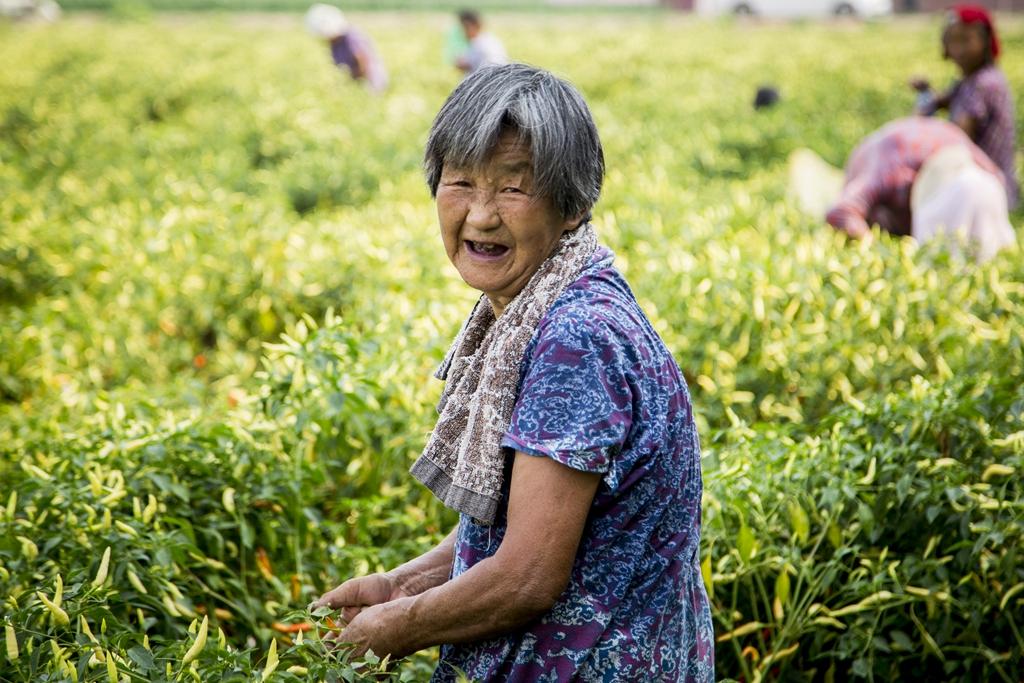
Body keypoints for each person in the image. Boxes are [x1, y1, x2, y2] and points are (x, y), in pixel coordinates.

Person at [313, 64, 715, 681]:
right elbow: (522, 525)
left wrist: (396, 629)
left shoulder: (576, 339)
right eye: (461, 182)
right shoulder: (542, 308)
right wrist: (400, 585)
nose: (479, 215)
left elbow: (528, 573)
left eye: (512, 188)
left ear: (574, 204)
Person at [821, 117, 1014, 262]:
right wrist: (879, 256)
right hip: (868, 174)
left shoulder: (976, 165)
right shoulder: (890, 167)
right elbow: (841, 212)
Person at [911, 5, 1018, 206]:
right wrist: (926, 92)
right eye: (953, 41)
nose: (959, 49)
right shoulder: (968, 81)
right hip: (975, 185)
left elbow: (958, 136)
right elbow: (942, 100)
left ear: (985, 42)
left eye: (966, 40)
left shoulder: (985, 83)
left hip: (989, 191)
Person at [305, 3, 387, 93]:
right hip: (354, 83)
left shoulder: (352, 36)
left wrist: (354, 82)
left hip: (369, 82)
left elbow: (363, 61)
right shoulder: (334, 43)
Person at [454, 9, 508, 74]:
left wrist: (458, 61)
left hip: (485, 81)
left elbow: (465, 64)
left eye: (463, 27)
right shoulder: (491, 39)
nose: (462, 32)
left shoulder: (478, 43)